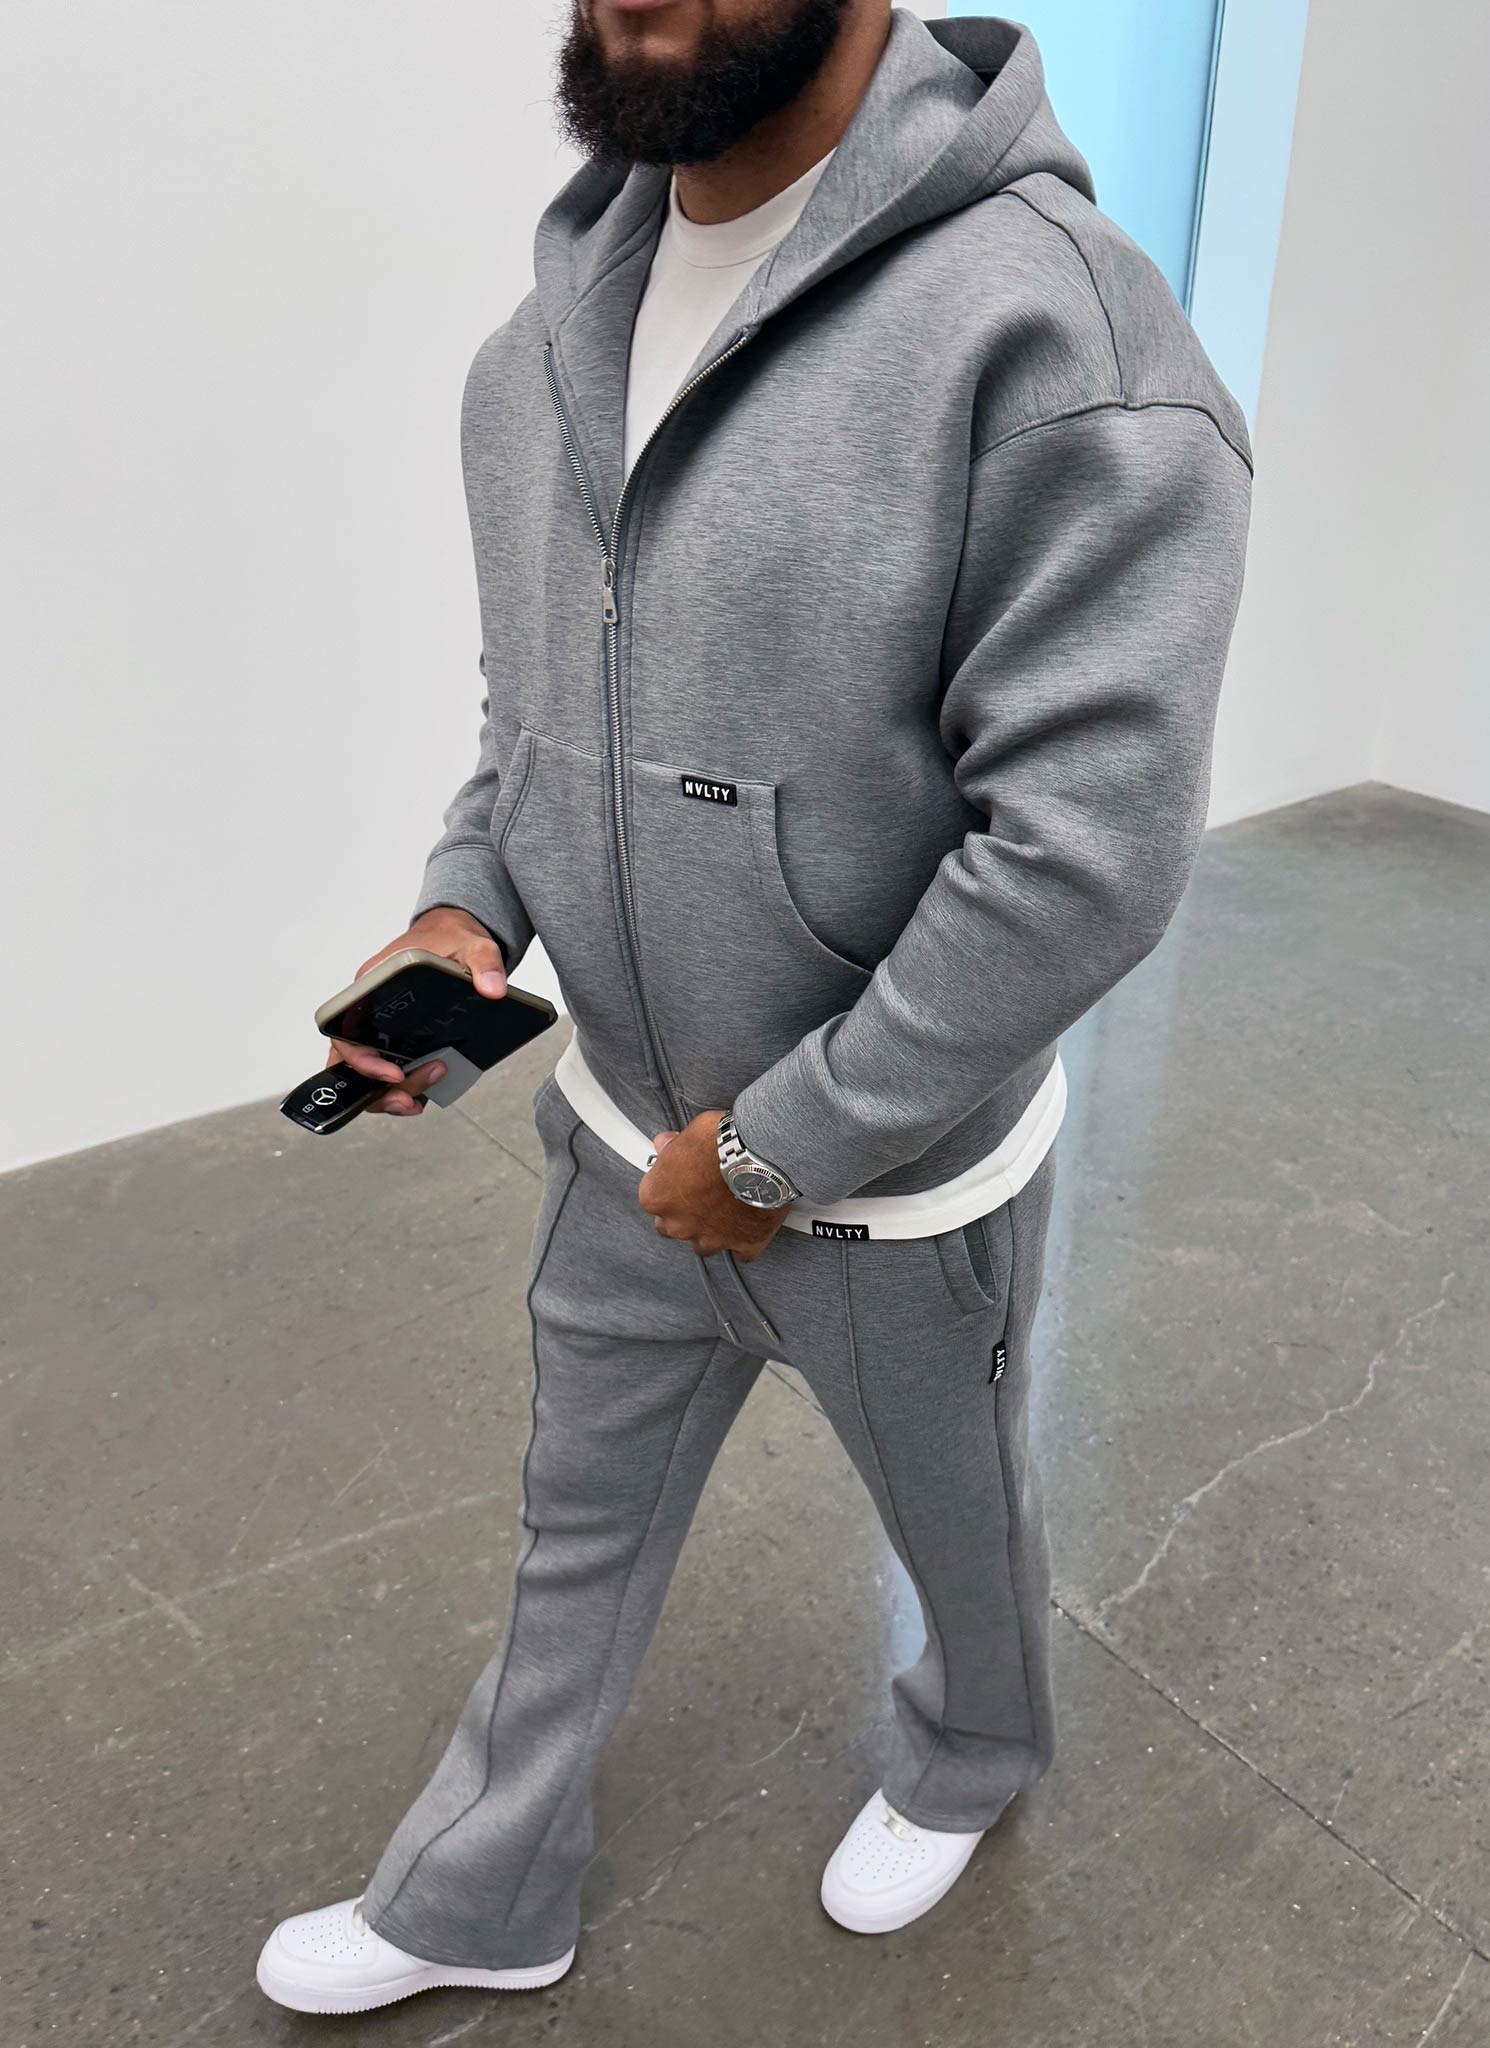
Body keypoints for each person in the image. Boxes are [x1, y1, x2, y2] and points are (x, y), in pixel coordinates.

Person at [256, 0, 1251, 2015]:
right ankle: (483, 1887)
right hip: (618, 1143)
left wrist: (785, 1146)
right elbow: (538, 726)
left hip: (890, 1194)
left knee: (956, 1523)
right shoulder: (540, 351)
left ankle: (974, 1751)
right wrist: (465, 912)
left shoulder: (1060, 346)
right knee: (572, 1534)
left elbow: (1084, 853)